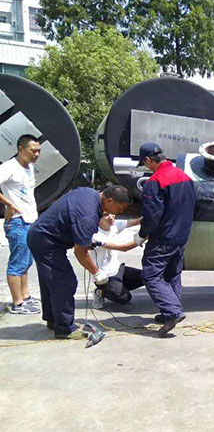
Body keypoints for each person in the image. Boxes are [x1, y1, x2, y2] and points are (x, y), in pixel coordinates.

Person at [27, 186, 132, 339]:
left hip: (41, 235)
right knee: (65, 282)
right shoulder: (88, 215)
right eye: (119, 208)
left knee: (51, 282)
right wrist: (97, 273)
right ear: (109, 201)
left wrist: (84, 240)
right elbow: (80, 252)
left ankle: (54, 319)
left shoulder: (89, 193)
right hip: (47, 242)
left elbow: (74, 224)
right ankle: (65, 329)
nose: (119, 213)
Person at [133, 143, 196, 337]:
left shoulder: (155, 181)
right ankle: (169, 312)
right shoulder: (185, 177)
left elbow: (152, 216)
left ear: (148, 160)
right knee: (172, 274)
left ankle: (172, 311)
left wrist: (142, 234)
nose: (146, 167)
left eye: (144, 163)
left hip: (163, 238)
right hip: (181, 236)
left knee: (151, 275)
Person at [0, 135, 41, 315]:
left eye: (38, 151)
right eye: (33, 151)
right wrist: (8, 204)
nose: (36, 154)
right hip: (17, 222)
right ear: (20, 149)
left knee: (26, 260)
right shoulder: (9, 167)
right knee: (17, 263)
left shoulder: (29, 167)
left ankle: (25, 296)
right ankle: (17, 303)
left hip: (30, 220)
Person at [91, 213, 144, 307]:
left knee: (148, 277)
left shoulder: (114, 225)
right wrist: (142, 237)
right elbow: (123, 248)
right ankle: (100, 291)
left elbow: (136, 221)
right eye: (106, 215)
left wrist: (154, 214)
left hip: (118, 269)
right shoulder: (95, 235)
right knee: (124, 297)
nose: (111, 217)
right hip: (104, 277)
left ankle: (115, 288)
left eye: (112, 213)